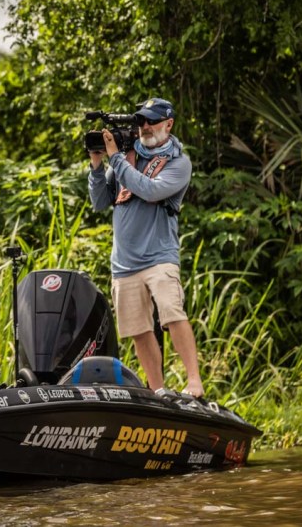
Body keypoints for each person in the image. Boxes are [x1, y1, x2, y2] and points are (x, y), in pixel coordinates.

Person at [87, 97, 204, 398]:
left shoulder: (178, 162)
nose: (146, 127)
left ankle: (194, 382)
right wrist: (97, 165)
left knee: (172, 314)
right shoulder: (126, 156)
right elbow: (99, 202)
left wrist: (114, 158)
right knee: (139, 330)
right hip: (124, 263)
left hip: (159, 258)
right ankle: (158, 390)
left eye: (152, 121)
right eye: (141, 121)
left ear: (169, 124)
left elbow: (150, 190)